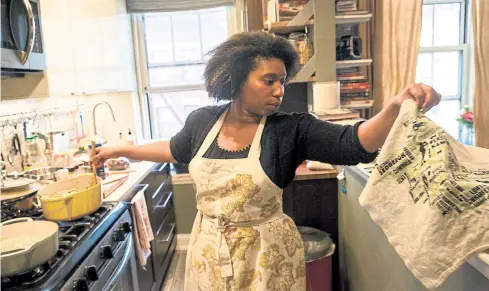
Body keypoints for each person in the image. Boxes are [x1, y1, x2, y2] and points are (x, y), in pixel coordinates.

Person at [91, 32, 441, 291]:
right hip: (207, 250)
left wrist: (394, 108)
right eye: (268, 81)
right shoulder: (201, 122)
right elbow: (173, 149)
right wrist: (121, 150)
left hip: (266, 257)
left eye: (283, 82)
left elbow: (355, 143)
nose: (279, 91)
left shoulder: (291, 130)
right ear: (237, 80)